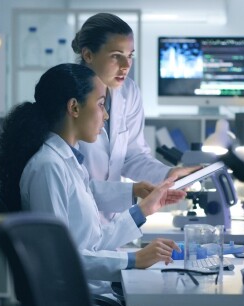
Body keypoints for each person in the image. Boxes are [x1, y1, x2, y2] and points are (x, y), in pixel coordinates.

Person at [0, 63, 185, 281]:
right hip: (81, 295)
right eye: (101, 105)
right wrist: (134, 259)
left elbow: (93, 242)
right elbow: (57, 258)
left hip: (91, 287)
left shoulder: (68, 161)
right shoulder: (48, 167)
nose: (106, 116)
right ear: (74, 108)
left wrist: (143, 210)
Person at [72, 13, 201, 216]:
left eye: (130, 55)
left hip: (110, 220)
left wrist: (168, 174)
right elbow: (68, 183)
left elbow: (133, 156)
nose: (126, 65)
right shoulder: (69, 99)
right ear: (88, 55)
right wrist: (132, 191)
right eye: (116, 55)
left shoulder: (128, 92)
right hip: (74, 218)